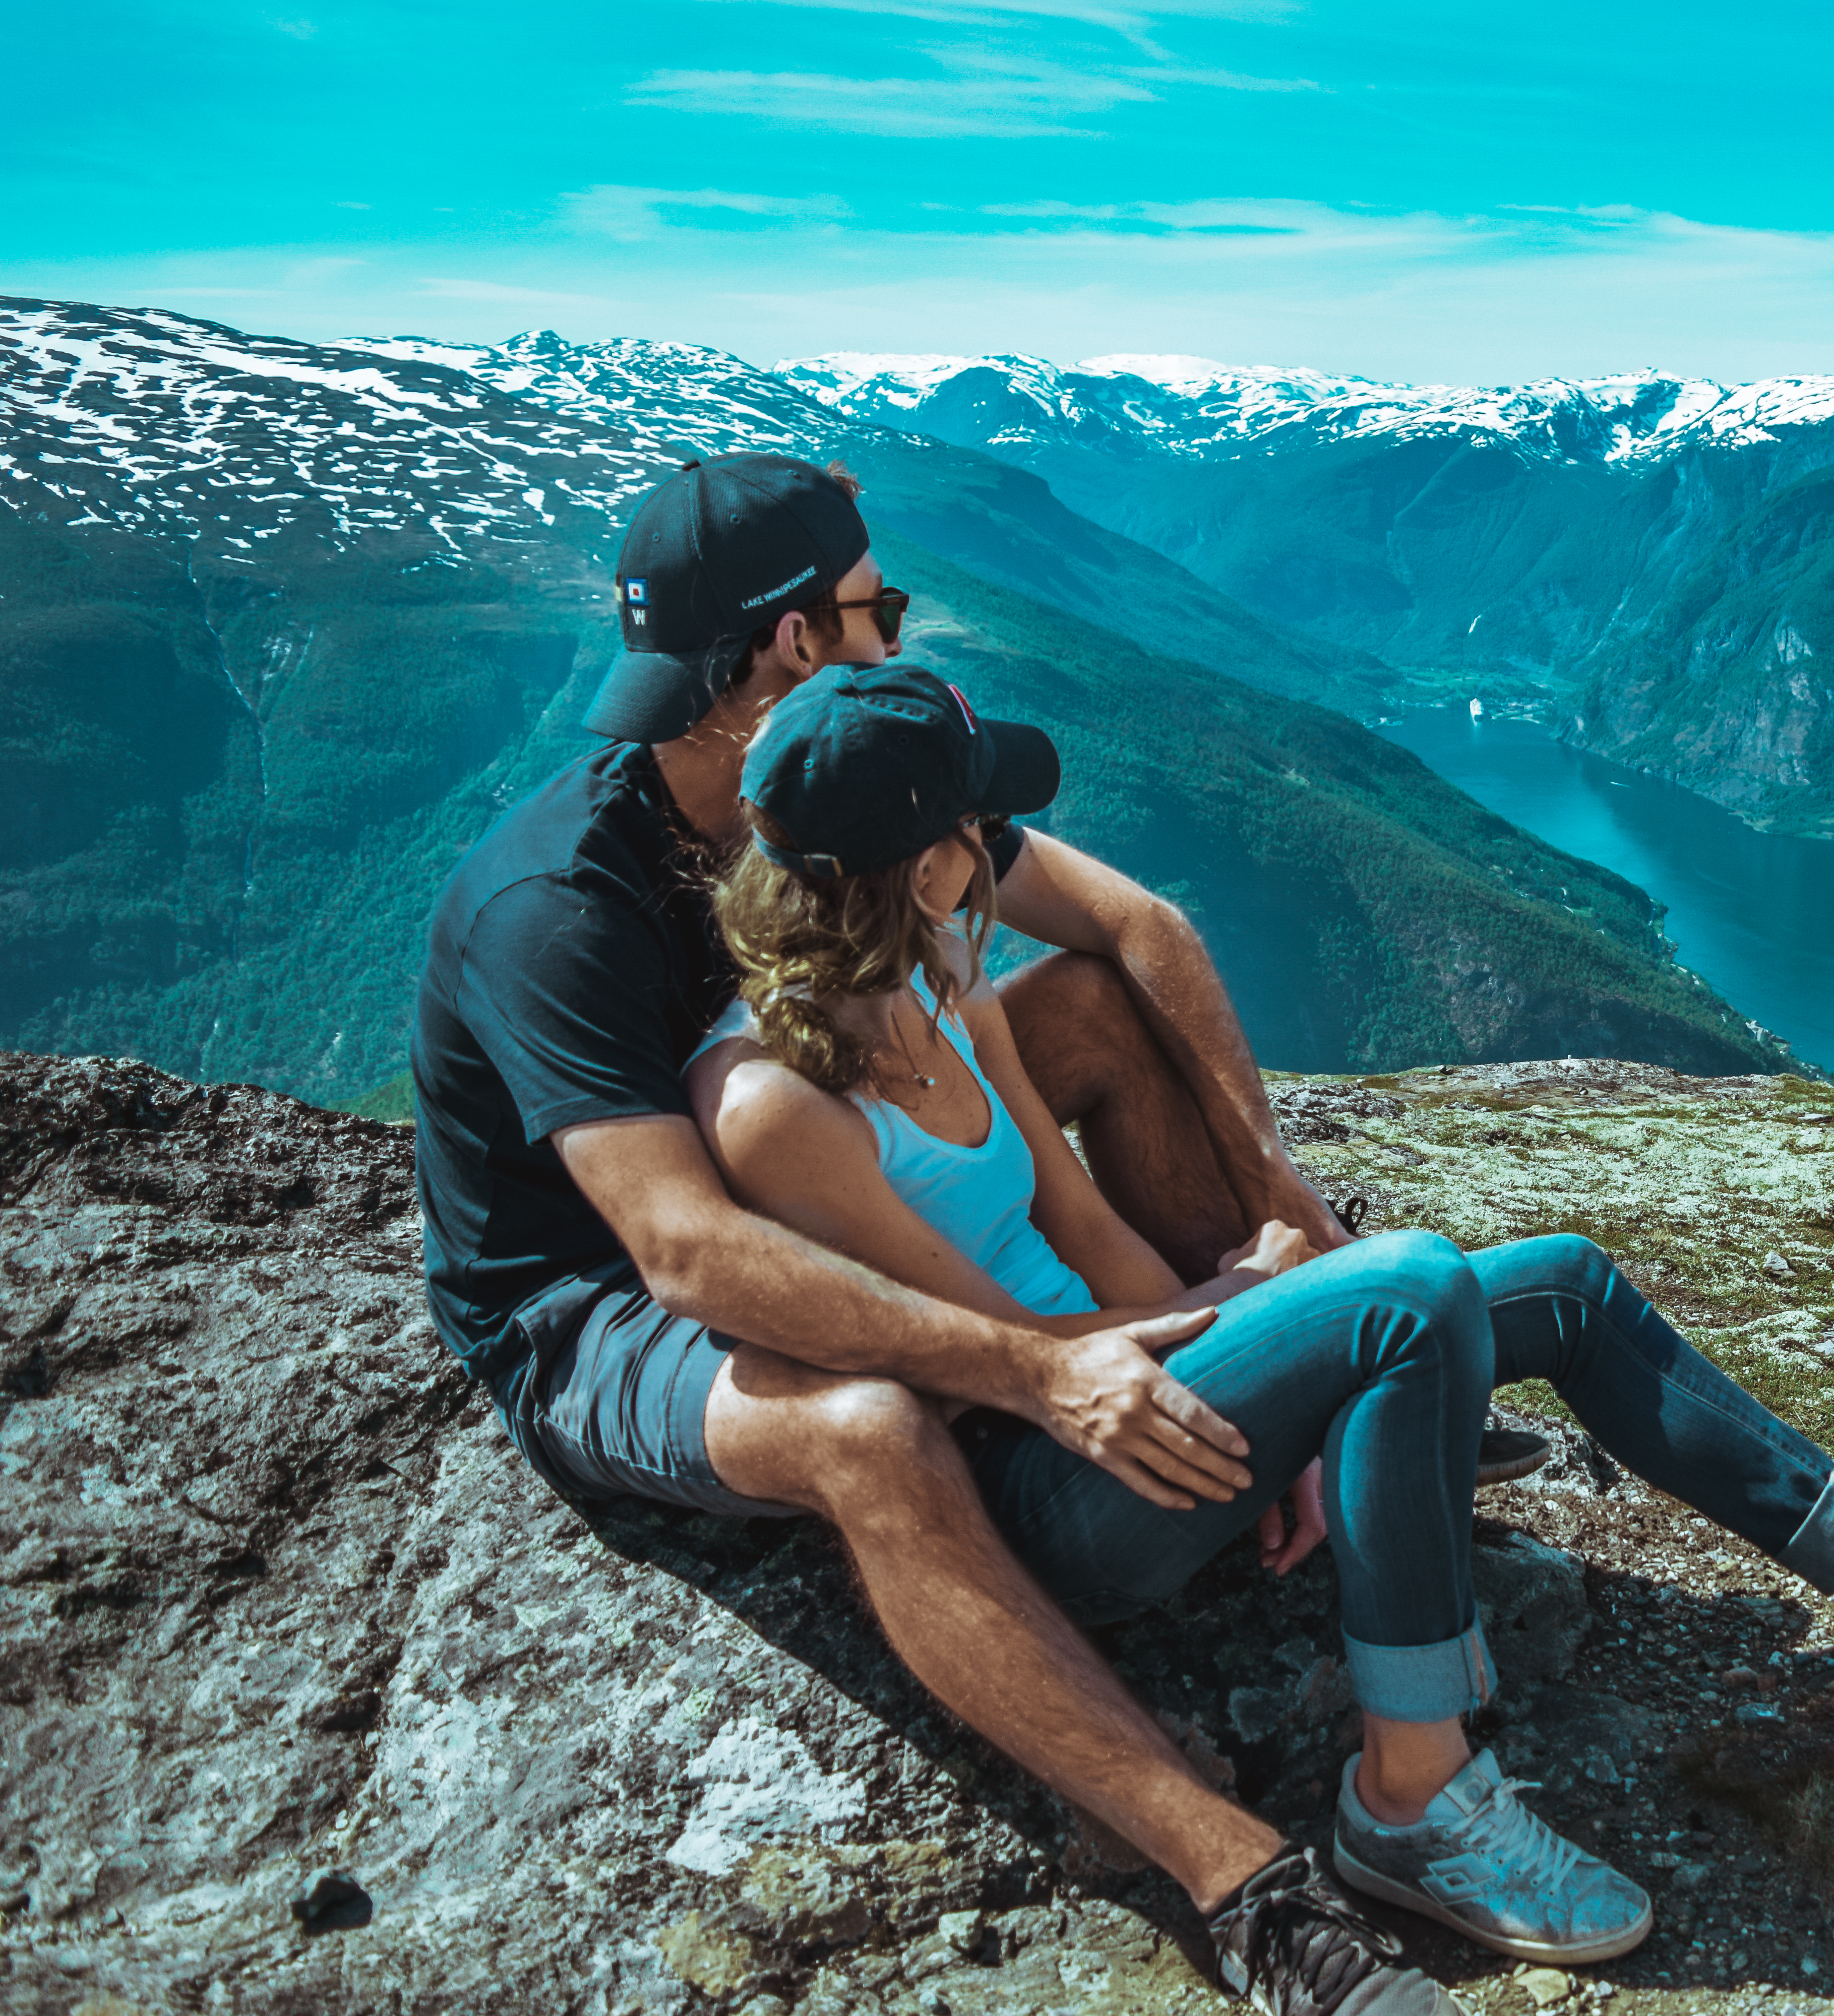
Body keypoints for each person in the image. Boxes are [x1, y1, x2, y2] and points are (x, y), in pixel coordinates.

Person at [677, 660, 1834, 1970]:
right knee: (1411, 1289)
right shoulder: (776, 1109)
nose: (997, 845)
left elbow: (1088, 1234)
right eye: (976, 825)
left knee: (1559, 1280)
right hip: (1055, 1484)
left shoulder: (946, 983)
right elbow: (986, 1359)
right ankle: (1411, 1800)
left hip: (1158, 1388)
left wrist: (1257, 1363)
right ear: (925, 865)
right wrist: (1256, 1308)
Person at [412, 454, 1474, 2016]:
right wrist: (1043, 1372)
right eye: (879, 606)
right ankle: (1241, 1887)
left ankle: (1263, 1383)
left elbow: (1137, 931)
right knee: (867, 1427)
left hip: (796, 1156)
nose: (900, 634)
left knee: (1091, 1012)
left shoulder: (849, 776)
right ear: (792, 641)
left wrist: (1288, 1217)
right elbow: (684, 1255)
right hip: (592, 1304)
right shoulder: (558, 907)